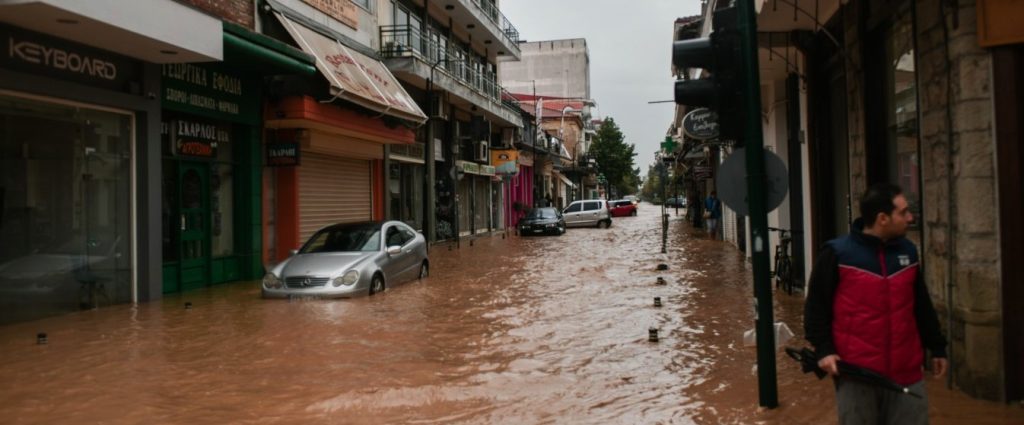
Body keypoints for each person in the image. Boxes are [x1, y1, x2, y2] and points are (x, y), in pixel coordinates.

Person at [804, 183, 947, 425]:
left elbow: (920, 304)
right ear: (883, 218)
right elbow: (815, 310)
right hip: (857, 377)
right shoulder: (837, 255)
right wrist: (824, 350)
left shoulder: (909, 253)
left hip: (907, 373)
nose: (910, 218)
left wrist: (937, 346)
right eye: (903, 212)